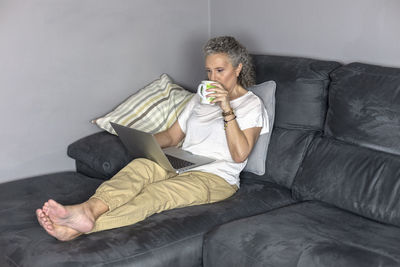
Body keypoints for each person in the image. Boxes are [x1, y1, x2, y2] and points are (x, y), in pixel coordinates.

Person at [36, 36, 269, 241]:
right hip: (183, 161)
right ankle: (88, 209)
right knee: (139, 168)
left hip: (216, 177)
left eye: (220, 71)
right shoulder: (200, 98)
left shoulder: (251, 105)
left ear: (238, 69)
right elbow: (172, 135)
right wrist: (142, 142)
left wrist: (226, 106)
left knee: (156, 194)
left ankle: (77, 229)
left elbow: (240, 154)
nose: (213, 78)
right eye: (208, 71)